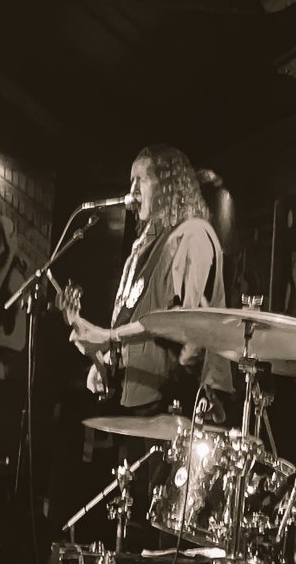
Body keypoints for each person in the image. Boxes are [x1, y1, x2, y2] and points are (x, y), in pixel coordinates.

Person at [68, 144, 233, 415]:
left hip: (173, 395)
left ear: (167, 185)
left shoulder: (191, 233)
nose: (130, 191)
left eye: (140, 180)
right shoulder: (148, 244)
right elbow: (140, 317)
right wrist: (105, 357)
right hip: (139, 389)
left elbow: (182, 320)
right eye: (130, 180)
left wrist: (109, 336)